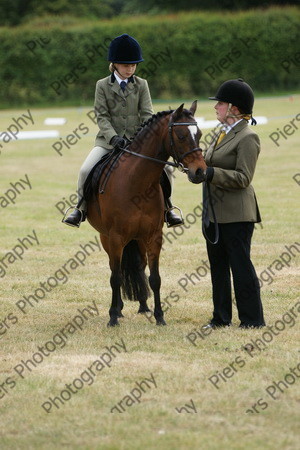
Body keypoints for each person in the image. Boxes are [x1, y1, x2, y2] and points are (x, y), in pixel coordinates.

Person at [63, 33, 183, 228]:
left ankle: (168, 209)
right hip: (108, 142)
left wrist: (143, 139)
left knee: (167, 169)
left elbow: (147, 115)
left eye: (134, 65)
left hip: (138, 143)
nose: (131, 68)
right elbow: (102, 116)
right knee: (85, 170)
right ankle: (80, 209)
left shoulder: (142, 84)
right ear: (115, 64)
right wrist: (114, 138)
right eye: (127, 65)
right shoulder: (102, 85)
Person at [202, 78, 265, 329]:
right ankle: (221, 318)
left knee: (240, 268)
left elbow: (243, 178)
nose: (215, 107)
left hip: (237, 215)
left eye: (220, 103)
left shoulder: (248, 137)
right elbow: (207, 163)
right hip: (213, 213)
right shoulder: (220, 132)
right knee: (218, 269)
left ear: (234, 109)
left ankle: (252, 320)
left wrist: (210, 173)